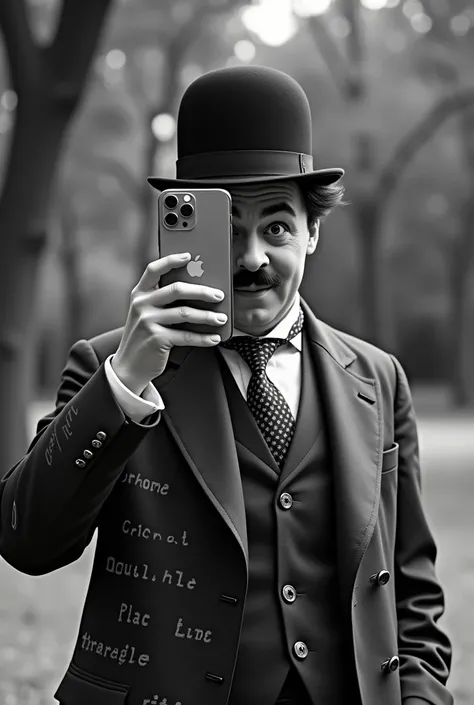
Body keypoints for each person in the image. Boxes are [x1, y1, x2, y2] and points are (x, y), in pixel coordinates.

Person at [0, 66, 452, 705]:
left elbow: (411, 586)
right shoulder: (111, 365)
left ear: (313, 232)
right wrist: (126, 381)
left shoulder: (378, 377)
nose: (252, 259)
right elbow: (28, 542)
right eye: (230, 228)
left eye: (277, 227)